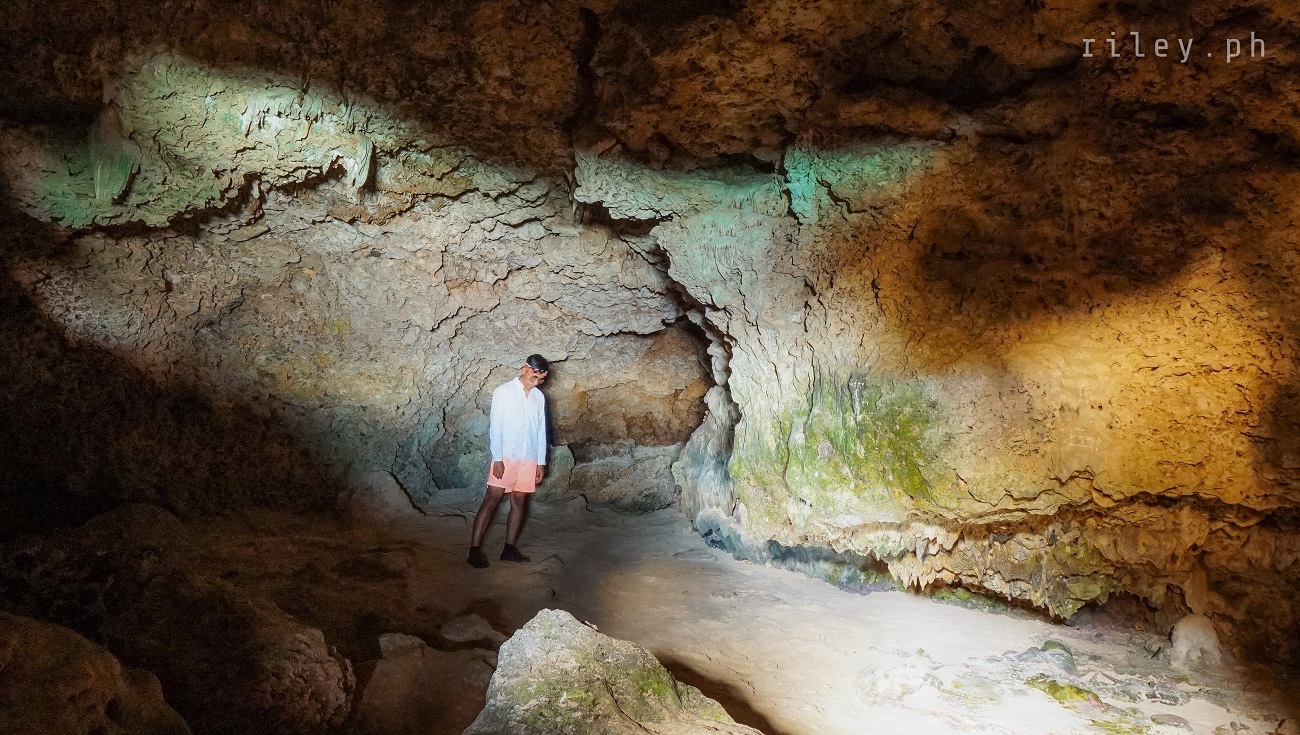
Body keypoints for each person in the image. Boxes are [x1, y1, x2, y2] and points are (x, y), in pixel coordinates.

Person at [467, 354, 549, 568]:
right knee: (492, 500)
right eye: (534, 378)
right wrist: (497, 458)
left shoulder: (539, 397)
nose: (536, 383)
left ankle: (509, 549)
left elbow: (541, 431)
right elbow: (496, 426)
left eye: (540, 380)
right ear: (525, 369)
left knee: (519, 501)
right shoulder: (503, 392)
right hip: (507, 456)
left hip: (529, 457)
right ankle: (474, 550)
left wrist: (540, 462)